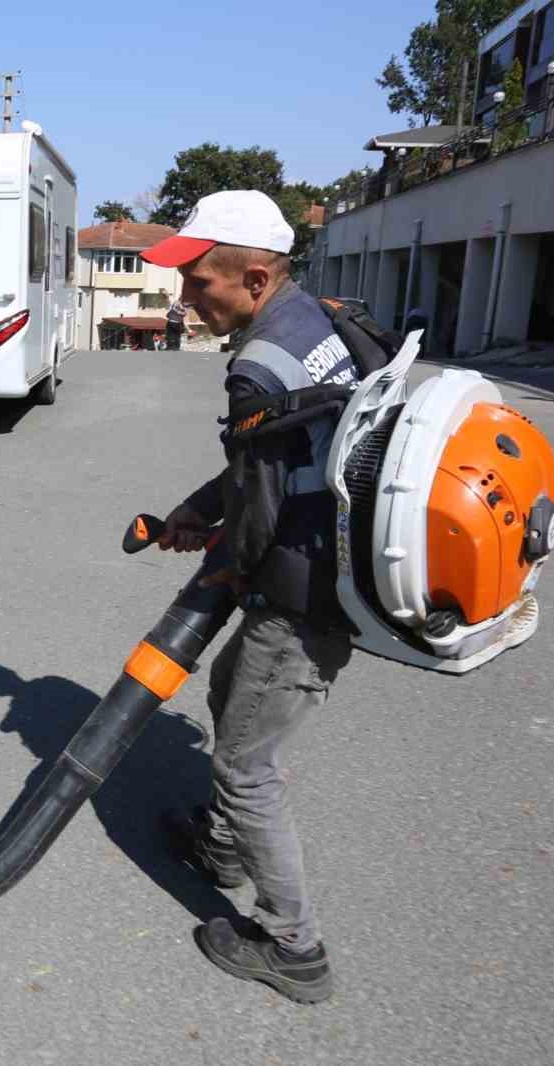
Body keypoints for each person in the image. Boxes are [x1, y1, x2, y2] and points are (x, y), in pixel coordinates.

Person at [138, 190, 357, 1005]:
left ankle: (294, 946)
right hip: (326, 559)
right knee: (231, 690)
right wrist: (205, 507)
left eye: (200, 282)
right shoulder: (319, 321)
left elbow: (260, 505)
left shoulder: (258, 363)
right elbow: (273, 456)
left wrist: (226, 560)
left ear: (256, 279)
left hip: (305, 592)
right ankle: (223, 850)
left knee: (244, 765)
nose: (185, 298)